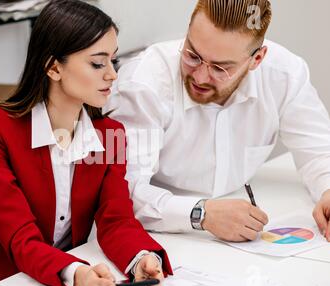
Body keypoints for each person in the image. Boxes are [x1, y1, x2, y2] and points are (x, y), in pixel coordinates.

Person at [0, 0, 172, 286]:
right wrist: (80, 275)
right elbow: (20, 239)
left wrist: (142, 258)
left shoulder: (111, 136)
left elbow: (116, 219)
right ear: (53, 67)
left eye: (113, 61)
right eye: (97, 63)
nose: (113, 75)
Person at [105, 0, 330, 242]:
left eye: (221, 68)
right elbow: (120, 192)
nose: (200, 76)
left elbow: (319, 151)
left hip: (241, 225)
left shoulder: (285, 74)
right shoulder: (144, 84)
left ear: (257, 59)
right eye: (193, 55)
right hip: (160, 234)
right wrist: (200, 213)